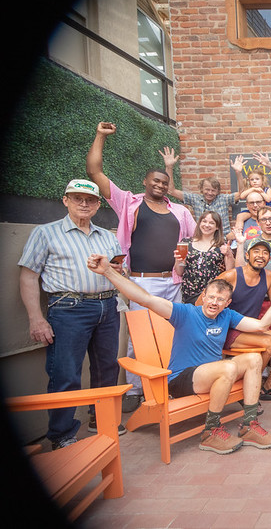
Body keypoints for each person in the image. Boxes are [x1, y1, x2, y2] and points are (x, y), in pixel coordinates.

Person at [87, 256, 271, 454]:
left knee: (255, 358)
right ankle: (210, 431)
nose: (214, 303)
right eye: (211, 297)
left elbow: (261, 326)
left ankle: (249, 424)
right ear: (204, 296)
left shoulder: (227, 315)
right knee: (229, 366)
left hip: (211, 376)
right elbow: (145, 299)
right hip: (181, 379)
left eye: (220, 300)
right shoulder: (184, 313)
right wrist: (108, 272)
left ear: (227, 303)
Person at [86, 121, 196, 413]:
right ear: (145, 183)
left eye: (164, 182)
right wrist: (100, 136)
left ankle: (171, 386)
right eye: (155, 181)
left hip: (174, 282)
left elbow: (197, 238)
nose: (160, 185)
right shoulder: (129, 204)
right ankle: (137, 389)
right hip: (141, 282)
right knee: (140, 339)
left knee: (173, 335)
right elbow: (94, 172)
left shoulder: (181, 211)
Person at [18, 179, 126, 450]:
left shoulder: (107, 236)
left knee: (106, 369)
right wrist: (36, 317)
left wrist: (117, 272)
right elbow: (29, 276)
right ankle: (61, 434)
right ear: (65, 200)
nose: (84, 203)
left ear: (98, 204)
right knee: (65, 373)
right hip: (68, 309)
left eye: (89, 199)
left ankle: (99, 420)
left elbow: (115, 272)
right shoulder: (46, 233)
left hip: (107, 305)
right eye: (77, 198)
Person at [216, 238, 271, 403]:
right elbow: (203, 303)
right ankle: (246, 389)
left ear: (269, 259)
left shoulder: (268, 276)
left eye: (265, 253)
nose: (260, 256)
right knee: (269, 343)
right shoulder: (231, 275)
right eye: (256, 251)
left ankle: (269, 384)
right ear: (247, 255)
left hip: (252, 328)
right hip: (228, 331)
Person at [161, 148, 247, 236]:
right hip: (202, 239)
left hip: (223, 239)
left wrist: (238, 172)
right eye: (207, 189)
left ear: (218, 192)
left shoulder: (224, 199)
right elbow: (171, 191)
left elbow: (242, 193)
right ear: (201, 189)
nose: (210, 193)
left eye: (213, 190)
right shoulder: (195, 199)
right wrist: (169, 167)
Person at [174, 211, 234, 304]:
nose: (207, 225)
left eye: (211, 223)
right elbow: (179, 272)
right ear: (199, 223)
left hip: (211, 295)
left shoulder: (222, 245)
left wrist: (229, 255)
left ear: (217, 227)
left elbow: (229, 272)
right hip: (188, 294)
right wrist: (179, 261)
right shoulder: (186, 242)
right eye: (204, 221)